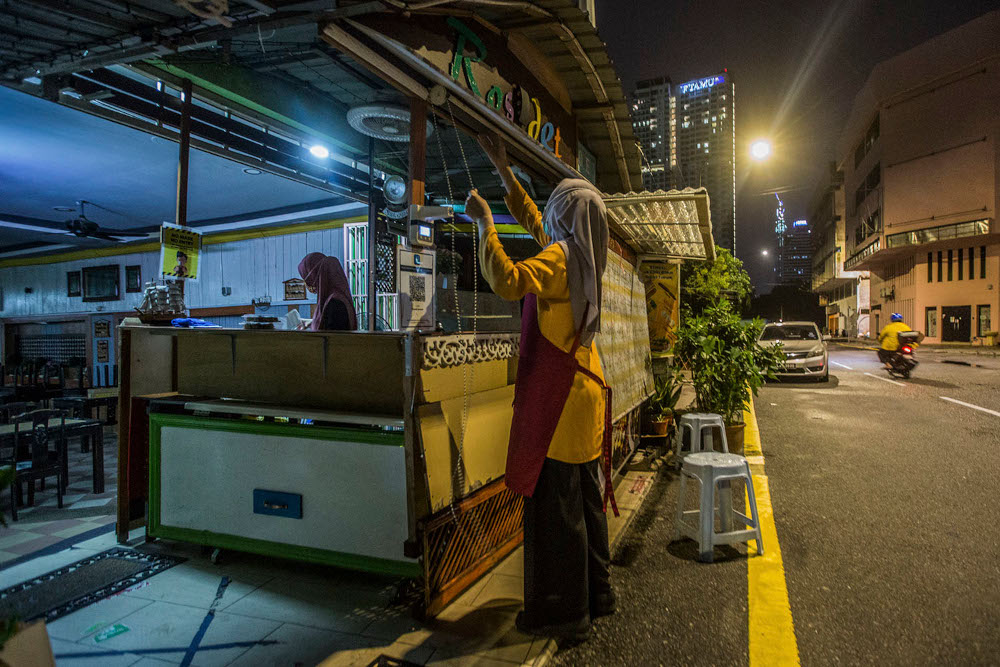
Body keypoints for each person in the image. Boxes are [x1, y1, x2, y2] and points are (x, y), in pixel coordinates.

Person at [465, 132, 616, 643]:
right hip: (586, 399)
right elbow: (538, 221)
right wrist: (505, 173)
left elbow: (508, 280)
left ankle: (563, 615)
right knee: (586, 507)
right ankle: (599, 596)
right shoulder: (589, 256)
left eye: (557, 214)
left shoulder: (558, 261)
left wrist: (484, 224)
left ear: (566, 220)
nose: (547, 222)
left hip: (558, 404)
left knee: (557, 519)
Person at [297, 252, 357, 331]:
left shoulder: (335, 303)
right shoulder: (336, 297)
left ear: (314, 275)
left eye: (306, 278)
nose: (306, 283)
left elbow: (331, 339)